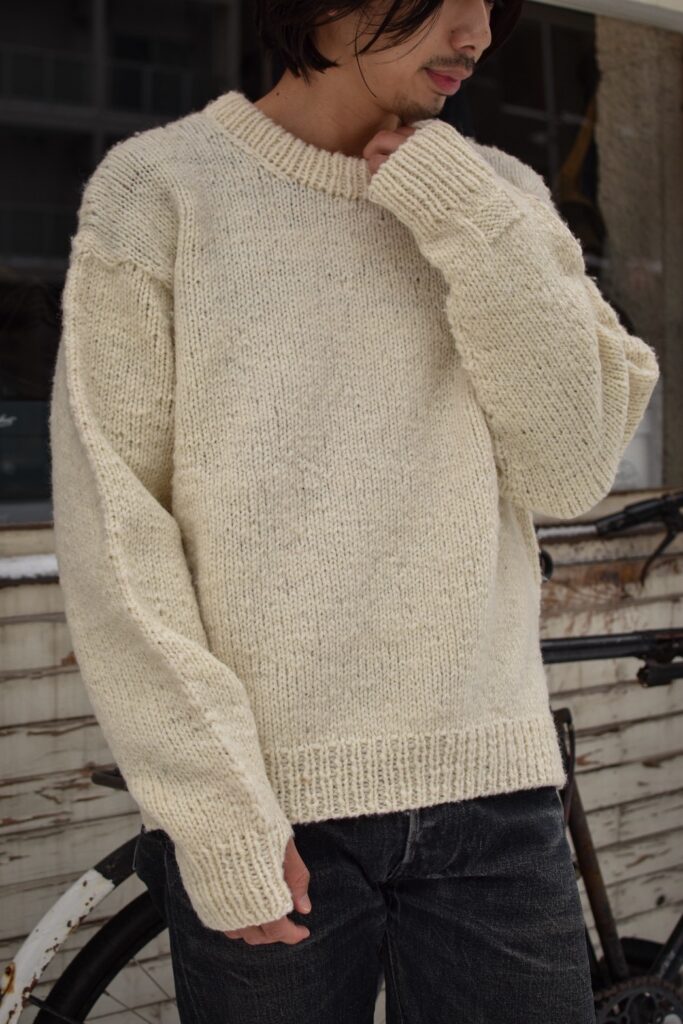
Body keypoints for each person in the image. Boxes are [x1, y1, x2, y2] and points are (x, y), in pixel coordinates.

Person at [49, 0, 660, 1020]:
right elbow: (117, 530)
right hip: (270, 808)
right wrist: (216, 812)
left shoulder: (498, 197)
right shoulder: (162, 191)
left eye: (492, 4)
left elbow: (568, 469)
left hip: (495, 801)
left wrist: (464, 215)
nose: (476, 33)